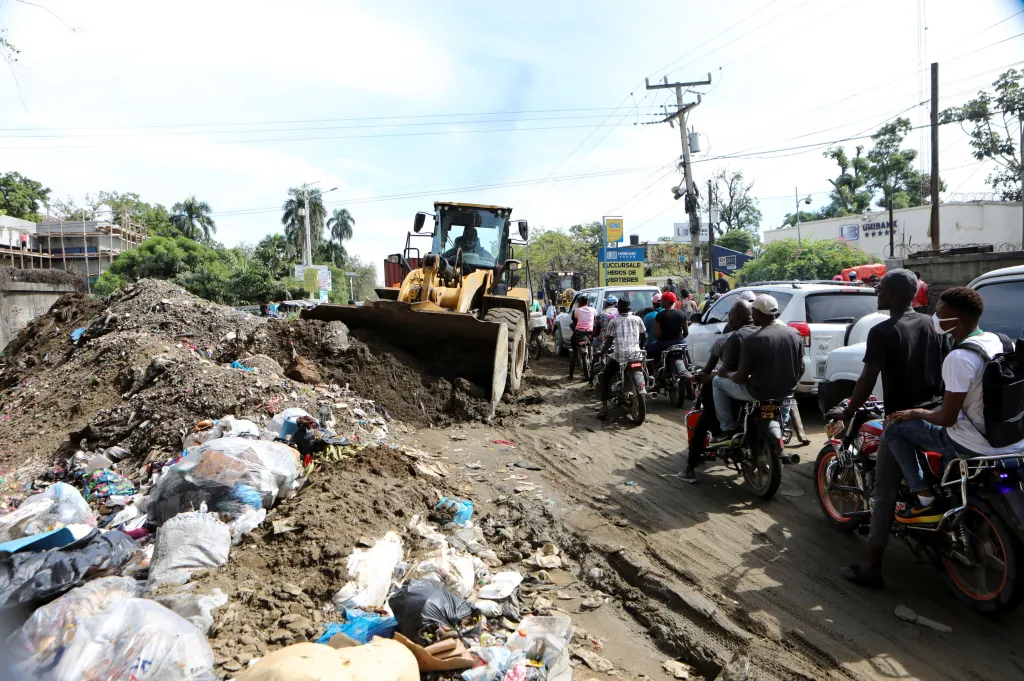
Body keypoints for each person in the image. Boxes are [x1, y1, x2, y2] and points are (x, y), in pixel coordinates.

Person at [829, 269, 948, 589]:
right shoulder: (933, 324)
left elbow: (867, 378)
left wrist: (849, 409)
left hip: (901, 418)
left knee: (882, 492)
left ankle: (871, 568)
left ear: (892, 295)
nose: (877, 293)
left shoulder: (883, 331)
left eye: (880, 288)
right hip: (934, 412)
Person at [884, 287, 1024, 525]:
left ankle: (924, 499)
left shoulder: (959, 358)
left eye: (938, 313)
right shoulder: (1000, 341)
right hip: (1012, 440)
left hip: (973, 444)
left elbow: (946, 419)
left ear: (955, 321)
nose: (934, 317)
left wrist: (915, 412)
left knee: (894, 428)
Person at [679, 300, 757, 483]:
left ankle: (690, 467)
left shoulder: (726, 340)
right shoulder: (764, 333)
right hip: (761, 389)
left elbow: (714, 372)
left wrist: (704, 377)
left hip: (736, 388)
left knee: (703, 419)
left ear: (734, 319)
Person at [711, 295, 803, 440]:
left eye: (753, 311)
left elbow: (740, 377)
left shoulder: (752, 339)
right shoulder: (794, 333)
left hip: (757, 392)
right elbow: (801, 368)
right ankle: (783, 425)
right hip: (786, 392)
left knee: (717, 382)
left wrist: (725, 373)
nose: (751, 315)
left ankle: (727, 428)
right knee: (787, 397)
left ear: (758, 313)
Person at [597, 298, 647, 418]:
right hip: (636, 354)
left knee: (605, 377)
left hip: (620, 356)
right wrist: (639, 346)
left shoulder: (614, 321)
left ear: (619, 308)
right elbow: (644, 336)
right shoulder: (637, 319)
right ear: (629, 308)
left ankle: (604, 408)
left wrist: (602, 352)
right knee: (644, 371)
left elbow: (609, 342)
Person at [645, 292, 687, 363]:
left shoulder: (660, 315)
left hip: (664, 344)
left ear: (666, 301)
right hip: (680, 343)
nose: (660, 302)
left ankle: (656, 368)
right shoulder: (681, 313)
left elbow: (657, 335)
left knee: (647, 348)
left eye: (662, 300)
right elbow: (686, 332)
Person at [568, 296, 597, 381]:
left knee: (574, 352)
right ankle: (593, 373)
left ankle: (570, 375)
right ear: (587, 302)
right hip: (590, 333)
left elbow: (574, 322)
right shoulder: (593, 310)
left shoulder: (576, 311)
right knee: (593, 350)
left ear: (579, 302)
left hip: (579, 334)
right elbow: (594, 321)